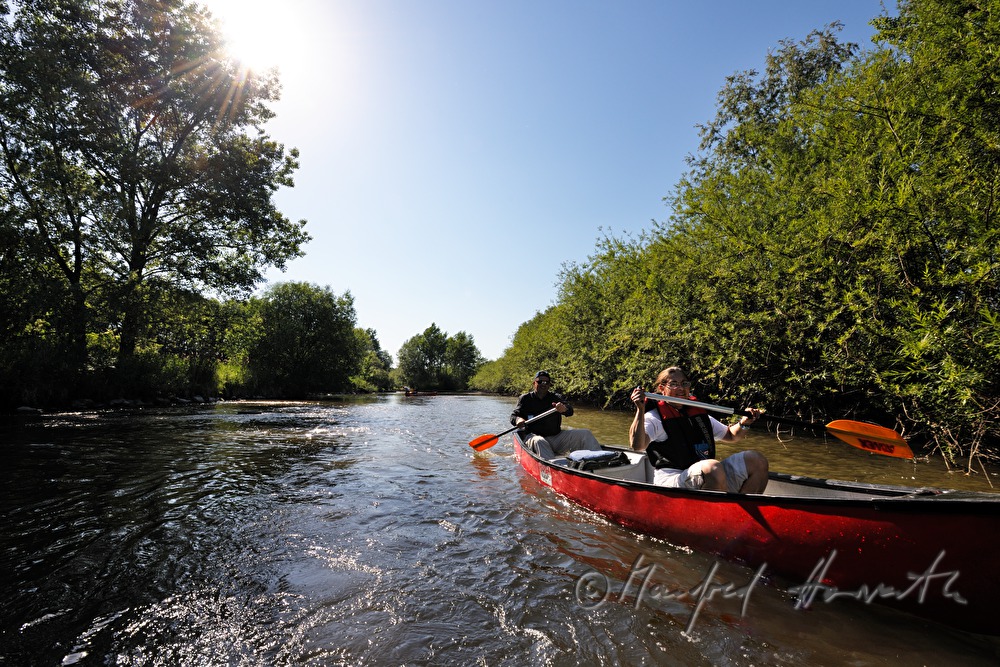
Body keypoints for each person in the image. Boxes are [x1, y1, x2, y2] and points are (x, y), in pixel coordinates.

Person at [629, 366, 769, 494]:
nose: (681, 388)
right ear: (662, 388)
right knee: (713, 468)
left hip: (707, 474)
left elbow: (731, 435)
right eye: (673, 384)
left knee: (757, 460)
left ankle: (741, 515)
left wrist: (745, 423)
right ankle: (713, 518)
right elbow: (637, 445)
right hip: (672, 480)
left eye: (684, 384)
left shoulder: (698, 415)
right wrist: (640, 410)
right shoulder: (654, 418)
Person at [511, 370, 603, 459]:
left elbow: (570, 411)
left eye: (547, 382)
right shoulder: (525, 398)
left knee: (585, 433)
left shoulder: (556, 397)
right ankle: (552, 467)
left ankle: (600, 460)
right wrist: (518, 420)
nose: (544, 384)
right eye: (540, 382)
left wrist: (564, 409)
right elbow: (514, 416)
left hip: (556, 437)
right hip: (534, 437)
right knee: (539, 441)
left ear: (549, 385)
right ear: (534, 383)